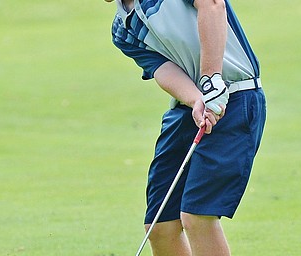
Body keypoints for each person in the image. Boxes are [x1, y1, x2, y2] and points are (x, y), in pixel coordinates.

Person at [105, 0, 266, 255]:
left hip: (237, 98)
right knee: (160, 225)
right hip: (188, 108)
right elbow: (162, 69)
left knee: (197, 216)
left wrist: (211, 78)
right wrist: (196, 99)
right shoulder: (122, 30)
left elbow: (213, 5)